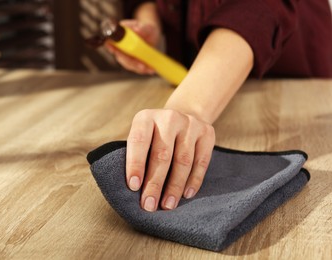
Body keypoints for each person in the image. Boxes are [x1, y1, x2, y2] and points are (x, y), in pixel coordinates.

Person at [105, 0, 332, 212]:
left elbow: (260, 7)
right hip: (197, 75)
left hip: (291, 80)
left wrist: (189, 107)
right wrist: (147, 22)